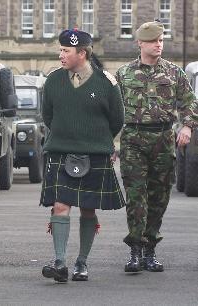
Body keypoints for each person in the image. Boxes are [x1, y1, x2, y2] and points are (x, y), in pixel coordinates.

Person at [40, 29, 125, 282]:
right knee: (60, 205)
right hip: (61, 152)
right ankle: (60, 262)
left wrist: (98, 142)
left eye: (66, 51)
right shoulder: (54, 80)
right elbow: (48, 116)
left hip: (94, 154)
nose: (61, 54)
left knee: (88, 209)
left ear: (83, 53)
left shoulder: (106, 82)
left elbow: (117, 120)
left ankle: (82, 263)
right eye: (61, 49)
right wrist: (65, 136)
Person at [116, 20, 198, 273]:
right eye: (153, 41)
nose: (158, 45)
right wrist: (110, 142)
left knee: (159, 196)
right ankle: (135, 250)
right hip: (133, 140)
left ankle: (150, 249)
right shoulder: (124, 74)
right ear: (140, 43)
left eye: (161, 41)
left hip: (163, 139)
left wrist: (187, 126)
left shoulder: (174, 73)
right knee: (136, 197)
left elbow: (190, 104)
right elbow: (111, 111)